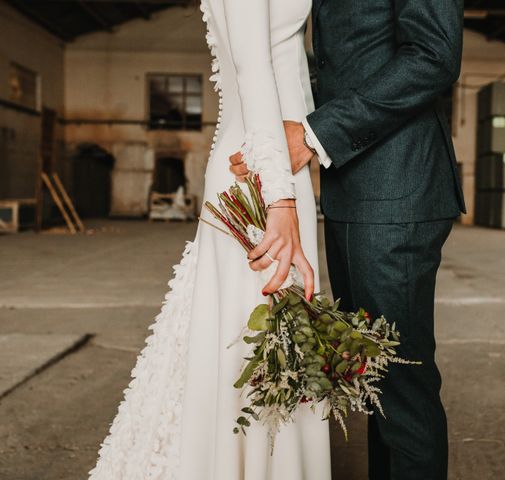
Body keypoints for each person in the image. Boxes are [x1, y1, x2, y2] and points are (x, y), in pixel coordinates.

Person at [88, 0, 331, 479]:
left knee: (268, 337)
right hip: (260, 166)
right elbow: (253, 66)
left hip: (279, 154)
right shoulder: (274, 185)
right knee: (253, 336)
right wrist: (279, 199)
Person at [233, 1, 466, 479]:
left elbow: (433, 54)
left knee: (402, 390)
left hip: (395, 192)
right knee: (375, 383)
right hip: (353, 193)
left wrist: (316, 133)